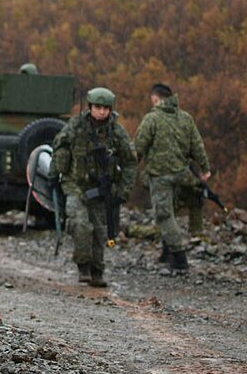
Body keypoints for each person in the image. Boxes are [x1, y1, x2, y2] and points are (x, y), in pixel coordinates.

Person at [49, 87, 136, 287]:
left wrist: (123, 190)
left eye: (106, 108)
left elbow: (130, 161)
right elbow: (59, 146)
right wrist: (54, 174)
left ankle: (97, 270)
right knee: (81, 224)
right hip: (76, 185)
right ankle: (83, 266)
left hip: (102, 190)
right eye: (98, 107)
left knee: (99, 231)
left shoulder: (116, 132)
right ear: (90, 107)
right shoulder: (76, 126)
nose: (102, 112)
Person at [135, 82, 211, 274]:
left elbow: (138, 147)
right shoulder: (185, 118)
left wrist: (129, 167)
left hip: (160, 175)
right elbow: (197, 145)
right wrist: (205, 168)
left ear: (155, 99)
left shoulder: (152, 119)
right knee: (172, 211)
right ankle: (166, 253)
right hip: (182, 174)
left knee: (165, 215)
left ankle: (179, 259)